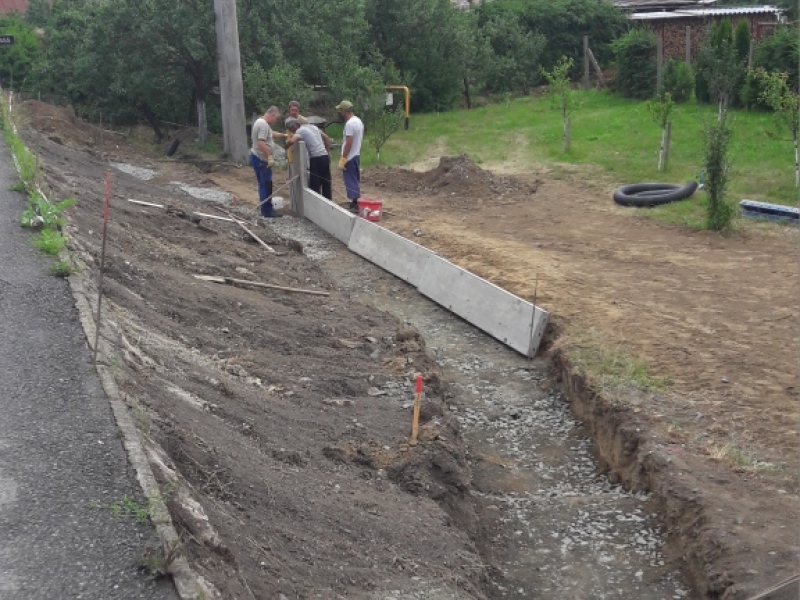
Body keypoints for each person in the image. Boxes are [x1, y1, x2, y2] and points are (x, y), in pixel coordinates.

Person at [285, 117, 333, 200]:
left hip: (316, 158)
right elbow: (326, 138)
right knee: (326, 182)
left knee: (315, 184)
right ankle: (328, 202)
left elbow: (292, 141)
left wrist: (285, 146)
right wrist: (327, 152)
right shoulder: (313, 127)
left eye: (290, 130)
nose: (292, 132)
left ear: (293, 126)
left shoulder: (300, 131)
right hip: (324, 156)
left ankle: (316, 203)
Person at [250, 106, 282, 218]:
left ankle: (265, 208)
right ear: (272, 115)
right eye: (276, 119)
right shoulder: (263, 124)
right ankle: (267, 210)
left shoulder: (261, 122)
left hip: (257, 158)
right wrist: (269, 157)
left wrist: (284, 135)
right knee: (266, 184)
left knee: (264, 184)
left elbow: (271, 134)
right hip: (261, 160)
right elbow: (261, 142)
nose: (275, 121)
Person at [335, 100, 364, 212]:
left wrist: (344, 158)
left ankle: (356, 204)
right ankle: (355, 202)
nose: (340, 112)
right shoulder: (358, 121)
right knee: (355, 179)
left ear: (344, 110)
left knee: (350, 180)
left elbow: (349, 142)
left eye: (340, 110)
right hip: (356, 154)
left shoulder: (349, 124)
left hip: (350, 156)